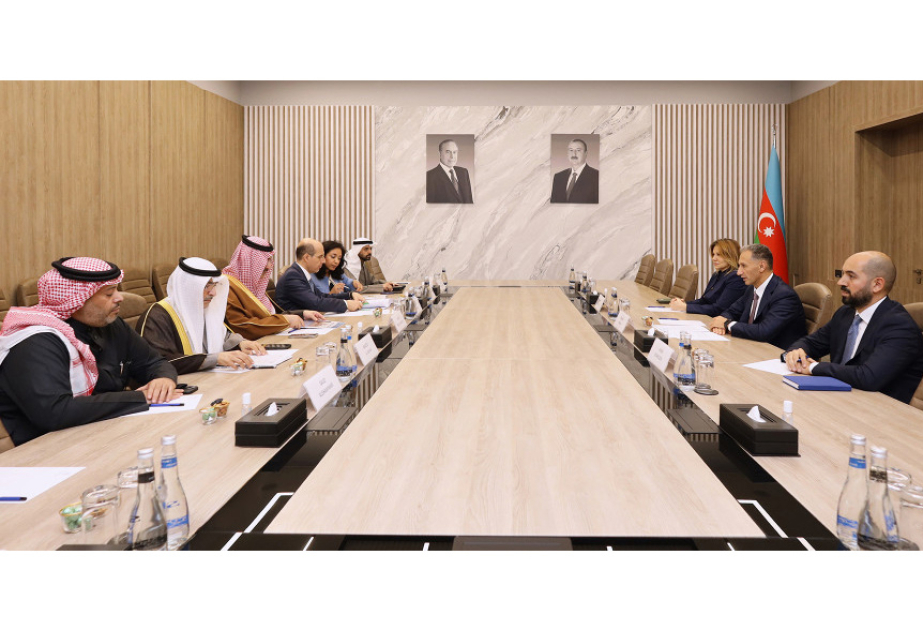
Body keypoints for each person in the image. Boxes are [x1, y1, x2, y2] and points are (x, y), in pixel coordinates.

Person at [0, 257, 180, 446]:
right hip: (46, 449)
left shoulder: (111, 324)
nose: (120, 298)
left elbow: (153, 362)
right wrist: (140, 398)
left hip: (103, 432)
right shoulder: (36, 341)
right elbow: (55, 412)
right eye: (109, 294)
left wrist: (163, 380)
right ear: (76, 301)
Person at [784, 251, 923, 404]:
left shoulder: (900, 326)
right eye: (843, 274)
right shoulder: (846, 313)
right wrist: (796, 352)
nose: (841, 282)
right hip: (840, 398)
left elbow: (868, 377)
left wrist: (813, 368)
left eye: (851, 276)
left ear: (877, 284)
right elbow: (812, 343)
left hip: (881, 408)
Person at [137, 257, 269, 374]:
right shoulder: (157, 316)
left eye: (214, 285)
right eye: (206, 286)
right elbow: (160, 362)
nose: (213, 293)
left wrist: (240, 343)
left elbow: (220, 335)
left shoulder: (203, 308)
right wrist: (214, 359)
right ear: (188, 288)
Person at [223, 235, 324, 340]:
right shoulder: (228, 286)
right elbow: (242, 326)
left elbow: (268, 315)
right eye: (264, 260)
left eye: (270, 259)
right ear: (247, 260)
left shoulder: (252, 284)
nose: (269, 266)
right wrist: (285, 321)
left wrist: (302, 314)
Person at [709, 243, 806, 348]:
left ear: (761, 266)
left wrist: (727, 324)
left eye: (743, 266)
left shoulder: (784, 295)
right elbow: (731, 312)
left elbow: (764, 331)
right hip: (752, 346)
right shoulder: (752, 289)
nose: (739, 272)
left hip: (776, 353)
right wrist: (720, 323)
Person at [275, 238, 363, 314]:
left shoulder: (301, 273)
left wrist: (349, 295)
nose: (323, 261)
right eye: (320, 257)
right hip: (296, 325)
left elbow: (321, 296)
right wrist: (346, 304)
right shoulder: (293, 276)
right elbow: (315, 303)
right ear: (306, 257)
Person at [670, 238, 747, 316]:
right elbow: (704, 301)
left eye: (719, 255)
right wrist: (684, 303)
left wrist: (686, 307)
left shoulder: (736, 277)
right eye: (713, 254)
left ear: (730, 255)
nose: (714, 258)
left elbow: (719, 309)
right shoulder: (717, 274)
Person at [551, 138, 599, 204]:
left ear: (586, 153)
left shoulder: (596, 176)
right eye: (571, 150)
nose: (574, 154)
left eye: (578, 150)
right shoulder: (558, 177)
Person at [426, 138, 473, 204]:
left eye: (454, 152)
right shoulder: (429, 176)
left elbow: (470, 200)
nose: (452, 156)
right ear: (439, 153)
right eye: (448, 152)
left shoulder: (464, 172)